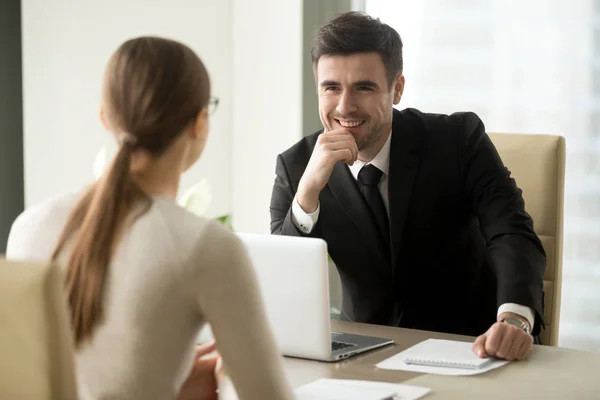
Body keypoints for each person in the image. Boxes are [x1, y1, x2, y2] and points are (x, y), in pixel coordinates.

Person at [7, 36, 294, 400]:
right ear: (199, 123)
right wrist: (227, 378)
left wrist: (167, 383)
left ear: (104, 117)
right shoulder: (206, 246)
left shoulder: (28, 225)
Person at [270, 12, 546, 361]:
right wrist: (307, 194)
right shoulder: (297, 167)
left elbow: (512, 230)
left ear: (397, 89)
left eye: (363, 87)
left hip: (472, 347)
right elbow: (280, 280)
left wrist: (515, 319)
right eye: (331, 88)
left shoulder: (458, 140)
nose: (344, 106)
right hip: (363, 356)